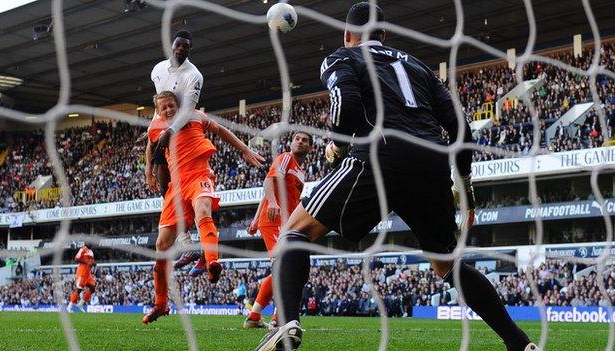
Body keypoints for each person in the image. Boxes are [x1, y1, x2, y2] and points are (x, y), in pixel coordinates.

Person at [254, 3, 539, 351]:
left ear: (348, 34)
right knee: (447, 264)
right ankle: (520, 343)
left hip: (380, 154)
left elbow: (346, 107)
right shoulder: (418, 66)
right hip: (432, 165)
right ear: (384, 35)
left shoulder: (343, 57)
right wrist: (463, 188)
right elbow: (461, 129)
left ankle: (285, 325)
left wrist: (340, 149)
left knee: (295, 232)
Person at [142, 91, 265, 324]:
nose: (169, 110)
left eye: (171, 105)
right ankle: (160, 304)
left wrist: (245, 149)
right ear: (158, 111)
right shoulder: (156, 126)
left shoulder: (194, 115)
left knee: (203, 211)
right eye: (164, 107)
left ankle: (212, 262)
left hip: (199, 175)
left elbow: (220, 130)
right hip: (175, 188)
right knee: (161, 246)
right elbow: (150, 145)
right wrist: (148, 171)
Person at [145, 29, 206, 271]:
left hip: (183, 135)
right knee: (165, 190)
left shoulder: (194, 75)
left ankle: (203, 251)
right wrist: (153, 127)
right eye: (178, 45)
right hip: (162, 133)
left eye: (186, 46)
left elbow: (189, 109)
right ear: (172, 45)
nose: (181, 49)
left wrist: (170, 131)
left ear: (190, 49)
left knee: (187, 193)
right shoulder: (158, 70)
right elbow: (159, 108)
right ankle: (189, 246)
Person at [243, 132, 312, 329]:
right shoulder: (285, 158)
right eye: (297, 138)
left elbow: (272, 188)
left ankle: (256, 316)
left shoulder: (301, 172)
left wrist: (256, 218)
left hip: (286, 223)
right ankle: (276, 318)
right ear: (291, 143)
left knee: (283, 269)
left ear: (310, 148)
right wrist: (272, 204)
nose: (299, 141)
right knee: (284, 267)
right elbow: (268, 181)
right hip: (275, 220)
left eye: (304, 140)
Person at [67, 244, 96, 313]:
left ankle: (80, 304)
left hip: (88, 274)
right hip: (82, 273)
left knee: (92, 288)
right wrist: (87, 262)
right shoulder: (82, 249)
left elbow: (91, 261)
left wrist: (94, 263)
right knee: (79, 290)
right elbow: (76, 259)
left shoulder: (91, 251)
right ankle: (69, 307)